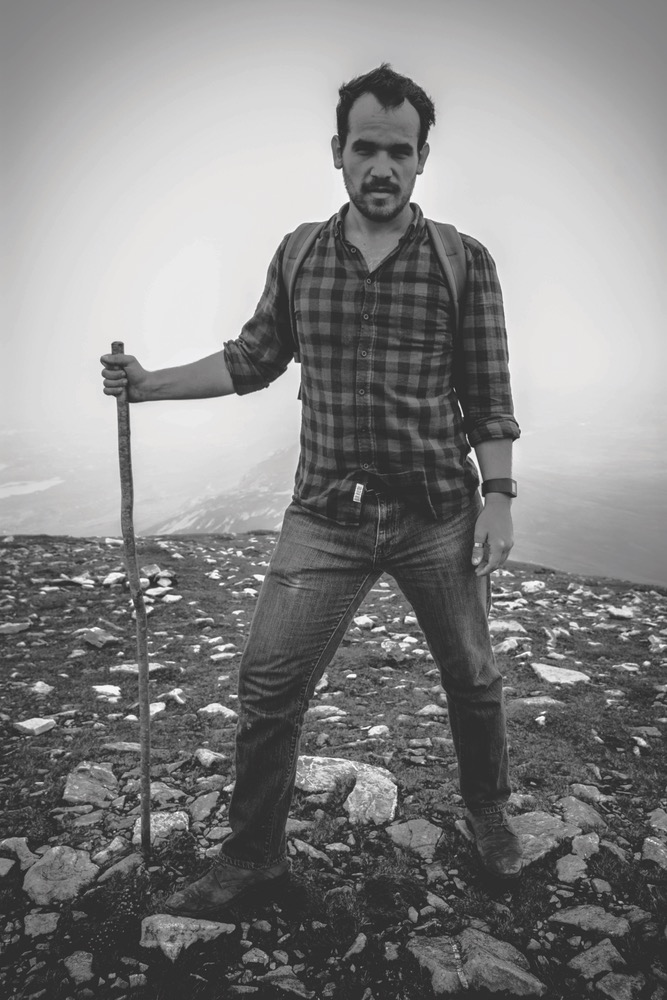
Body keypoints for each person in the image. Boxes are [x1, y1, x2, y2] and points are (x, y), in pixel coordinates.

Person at [101, 64, 523, 913]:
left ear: (420, 159)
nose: (381, 166)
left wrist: (500, 494)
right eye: (365, 147)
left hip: (439, 511)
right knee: (267, 687)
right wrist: (146, 385)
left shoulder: (460, 260)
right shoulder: (300, 254)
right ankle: (253, 859)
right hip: (326, 516)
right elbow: (250, 359)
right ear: (337, 152)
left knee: (472, 678)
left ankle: (489, 815)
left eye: (397, 152)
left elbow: (487, 387)